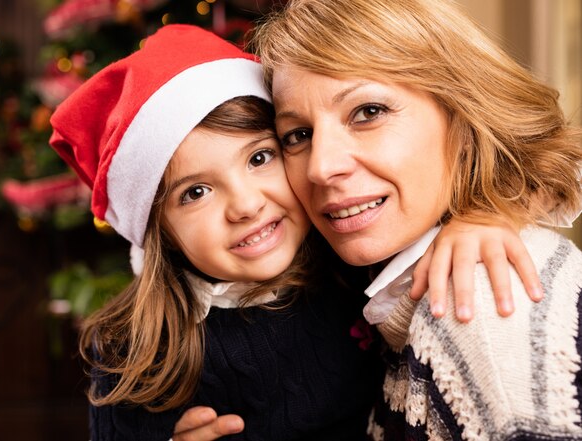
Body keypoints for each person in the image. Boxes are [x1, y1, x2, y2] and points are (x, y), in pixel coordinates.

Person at [50, 20, 556, 441]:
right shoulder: (136, 350)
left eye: (260, 157)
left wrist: (482, 215)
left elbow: (533, 173)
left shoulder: (350, 255)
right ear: (159, 231)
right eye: (195, 193)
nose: (246, 205)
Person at [245, 0, 582, 439]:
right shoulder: (369, 288)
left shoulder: (484, 316)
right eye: (299, 135)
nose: (320, 167)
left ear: (463, 117)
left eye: (368, 112)